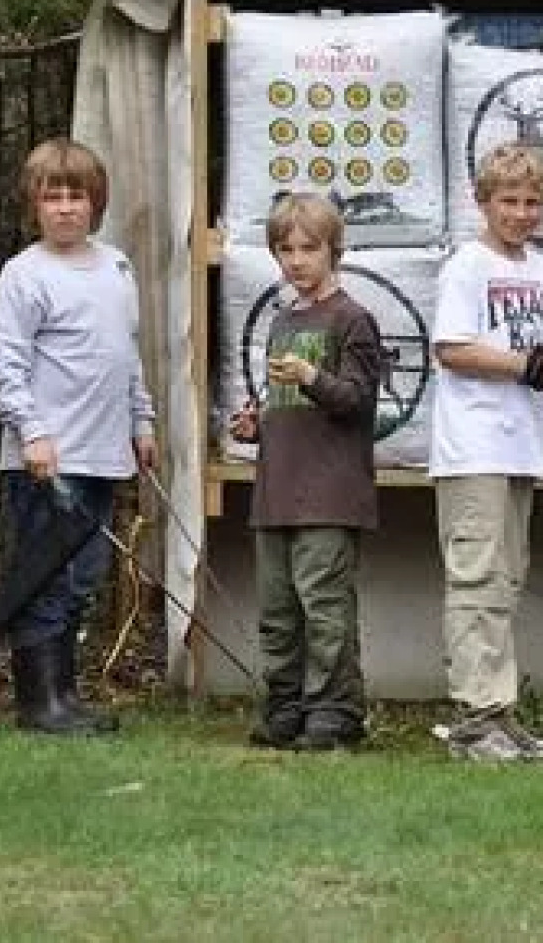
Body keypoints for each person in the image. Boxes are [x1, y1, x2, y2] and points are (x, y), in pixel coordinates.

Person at [0, 138, 157, 735]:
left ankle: (65, 694)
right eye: (51, 197)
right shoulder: (24, 274)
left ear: (95, 202)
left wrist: (142, 422)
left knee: (83, 577)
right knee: (46, 578)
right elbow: (4, 366)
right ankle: (39, 702)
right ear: (34, 204)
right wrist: (32, 433)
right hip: (48, 458)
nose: (64, 208)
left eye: (75, 196)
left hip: (104, 454)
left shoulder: (117, 268)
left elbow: (126, 355)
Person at [429, 143, 543, 762]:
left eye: (532, 202)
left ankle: (499, 711)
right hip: (473, 447)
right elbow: (452, 349)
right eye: (509, 201)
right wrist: (535, 366)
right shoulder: (466, 266)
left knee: (507, 580)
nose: (522, 213)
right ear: (483, 202)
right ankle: (474, 721)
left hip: (524, 445)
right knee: (476, 577)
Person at [228, 193, 381, 751]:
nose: (296, 260)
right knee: (278, 610)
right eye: (285, 250)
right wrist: (258, 425)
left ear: (334, 250)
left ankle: (335, 711)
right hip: (276, 491)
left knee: (324, 609)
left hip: (331, 494)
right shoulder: (283, 320)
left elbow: (358, 402)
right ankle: (284, 706)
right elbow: (289, 406)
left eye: (308, 248)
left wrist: (312, 377)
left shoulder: (353, 319)